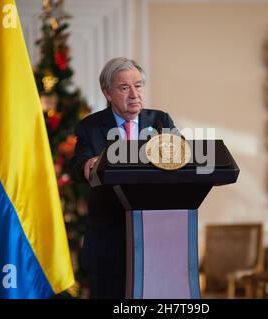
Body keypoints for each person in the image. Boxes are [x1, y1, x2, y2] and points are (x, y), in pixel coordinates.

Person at [69, 57, 176, 298]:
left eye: (138, 86)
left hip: (154, 238)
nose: (134, 94)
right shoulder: (90, 127)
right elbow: (76, 166)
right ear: (107, 93)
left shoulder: (161, 122)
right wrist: (88, 163)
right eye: (124, 88)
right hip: (108, 241)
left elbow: (181, 159)